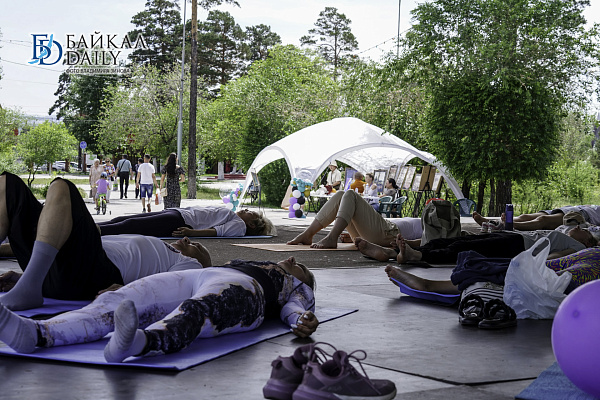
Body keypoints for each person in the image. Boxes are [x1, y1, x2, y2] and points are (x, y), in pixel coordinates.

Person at [0, 256, 318, 363]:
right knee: (119, 300)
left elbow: (295, 310)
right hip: (201, 274)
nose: (293, 261)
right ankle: (36, 333)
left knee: (199, 309)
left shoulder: (296, 287)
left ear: (304, 281)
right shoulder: (255, 260)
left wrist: (300, 319)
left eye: (301, 267)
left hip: (249, 290)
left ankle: (138, 342)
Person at [0, 171, 213, 311]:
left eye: (197, 247)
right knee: (7, 184)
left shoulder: (190, 265)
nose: (188, 240)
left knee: (62, 187)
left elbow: (173, 287)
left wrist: (129, 292)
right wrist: (24, 276)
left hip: (96, 273)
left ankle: (29, 287)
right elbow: (52, 238)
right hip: (62, 268)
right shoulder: (160, 246)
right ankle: (32, 280)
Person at [384, 247, 600, 298]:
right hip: (590, 255)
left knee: (549, 278)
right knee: (530, 266)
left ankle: (429, 285)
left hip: (592, 269)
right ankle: (432, 284)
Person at [374, 226, 598, 265]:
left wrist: (526, 261)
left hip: (517, 246)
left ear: (588, 241)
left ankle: (418, 256)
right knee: (450, 240)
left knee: (460, 249)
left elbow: (557, 258)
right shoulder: (565, 232)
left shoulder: (582, 249)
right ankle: (394, 252)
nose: (579, 227)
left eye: (585, 230)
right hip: (511, 237)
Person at [287, 189, 422, 249]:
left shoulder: (431, 225)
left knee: (351, 194)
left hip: (389, 233)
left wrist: (403, 244)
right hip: (377, 231)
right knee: (341, 194)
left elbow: (428, 242)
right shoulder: (428, 219)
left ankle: (332, 237)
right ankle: (308, 234)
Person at [98, 206, 276, 238]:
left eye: (250, 213)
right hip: (177, 213)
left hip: (179, 220)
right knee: (123, 220)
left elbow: (217, 232)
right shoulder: (236, 217)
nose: (246, 210)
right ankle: (94, 228)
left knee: (130, 226)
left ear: (252, 224)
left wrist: (192, 233)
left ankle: (92, 232)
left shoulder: (239, 226)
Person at [473, 205, 600, 231]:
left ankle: (510, 225)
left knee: (543, 221)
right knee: (524, 216)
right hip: (573, 208)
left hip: (582, 216)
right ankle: (492, 222)